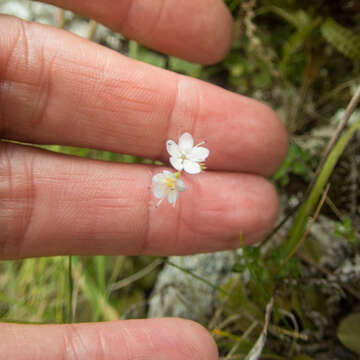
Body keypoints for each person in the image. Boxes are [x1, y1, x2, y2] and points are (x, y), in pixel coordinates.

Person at [0, 0, 288, 358]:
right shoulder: (173, 172)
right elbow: (174, 169)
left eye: (181, 161)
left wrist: (178, 171)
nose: (179, 164)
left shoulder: (179, 169)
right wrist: (175, 174)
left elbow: (178, 167)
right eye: (179, 159)